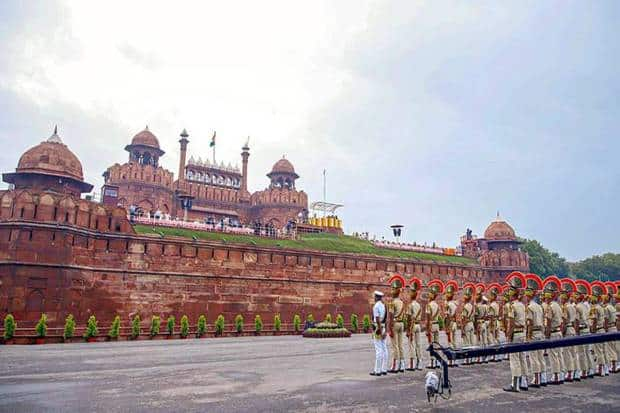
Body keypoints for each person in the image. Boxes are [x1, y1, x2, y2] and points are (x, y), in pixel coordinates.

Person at [503, 272, 529, 392]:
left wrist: (509, 336)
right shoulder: (523, 305)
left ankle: (515, 385)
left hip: (516, 334)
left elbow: (511, 323)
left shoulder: (512, 306)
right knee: (522, 357)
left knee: (514, 359)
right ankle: (524, 382)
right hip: (523, 333)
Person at [524, 273, 545, 388]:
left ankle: (536, 379)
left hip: (534, 333)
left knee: (534, 357)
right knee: (540, 356)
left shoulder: (530, 307)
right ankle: (541, 378)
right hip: (540, 332)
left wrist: (528, 336)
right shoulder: (539, 306)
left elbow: (530, 323)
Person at [575, 280, 595, 379]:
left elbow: (577, 322)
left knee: (582, 353)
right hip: (587, 330)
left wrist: (577, 333)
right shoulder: (586, 306)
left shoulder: (577, 307)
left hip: (582, 330)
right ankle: (591, 369)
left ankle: (584, 371)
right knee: (587, 352)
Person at [559, 278, 578, 382]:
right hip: (573, 329)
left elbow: (565, 321)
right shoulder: (572, 306)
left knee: (567, 353)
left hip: (568, 330)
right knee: (573, 352)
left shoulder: (565, 307)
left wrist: (562, 332)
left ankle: (570, 373)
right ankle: (575, 372)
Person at [387, 275, 407, 373]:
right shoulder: (402, 302)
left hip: (395, 324)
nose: (391, 291)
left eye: (393, 289)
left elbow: (390, 317)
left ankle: (394, 366)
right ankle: (402, 364)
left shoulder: (392, 302)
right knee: (400, 345)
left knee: (394, 345)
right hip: (401, 324)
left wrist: (389, 329)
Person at [590, 281, 609, 376]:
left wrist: (592, 331)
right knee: (603, 350)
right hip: (602, 330)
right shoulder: (602, 307)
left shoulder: (595, 308)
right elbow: (606, 320)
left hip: (597, 330)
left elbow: (594, 321)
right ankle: (605, 369)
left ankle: (600, 369)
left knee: (598, 351)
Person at [425, 279, 444, 369]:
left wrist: (427, 329)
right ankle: (438, 361)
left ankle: (432, 362)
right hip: (437, 325)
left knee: (431, 344)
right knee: (437, 344)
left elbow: (428, 319)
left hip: (432, 325)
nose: (428, 295)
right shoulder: (437, 305)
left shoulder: (429, 305)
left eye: (429, 294)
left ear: (432, 295)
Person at [406, 277, 423, 371]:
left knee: (411, 344)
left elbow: (410, 319)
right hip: (418, 325)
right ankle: (419, 362)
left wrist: (409, 330)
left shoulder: (410, 305)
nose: (409, 294)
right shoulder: (419, 305)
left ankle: (412, 364)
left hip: (412, 326)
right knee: (418, 344)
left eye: (410, 292)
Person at [370, 290, 388, 376]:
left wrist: (379, 331)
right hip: (383, 327)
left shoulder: (376, 306)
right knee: (384, 348)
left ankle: (377, 370)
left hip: (378, 328)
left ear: (377, 297)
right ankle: (384, 369)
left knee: (378, 349)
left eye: (375, 296)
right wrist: (385, 331)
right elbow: (386, 319)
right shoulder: (384, 306)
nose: (374, 298)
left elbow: (377, 319)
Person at [444, 280, 460, 367]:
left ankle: (450, 361)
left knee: (450, 342)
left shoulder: (447, 305)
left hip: (450, 323)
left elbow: (447, 317)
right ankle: (455, 360)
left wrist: (446, 327)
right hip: (454, 323)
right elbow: (456, 315)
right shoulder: (454, 304)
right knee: (454, 342)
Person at [604, 282, 618, 373]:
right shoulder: (613, 307)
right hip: (614, 327)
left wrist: (605, 329)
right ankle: (614, 365)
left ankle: (612, 366)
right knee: (614, 347)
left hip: (609, 328)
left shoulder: (606, 308)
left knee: (610, 348)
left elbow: (605, 320)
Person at [460, 283, 476, 365]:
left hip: (467, 324)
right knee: (471, 341)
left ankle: (467, 360)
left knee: (466, 342)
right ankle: (471, 359)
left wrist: (462, 329)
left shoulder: (465, 306)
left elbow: (464, 319)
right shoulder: (472, 306)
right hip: (471, 324)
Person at [485, 283, 502, 362]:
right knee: (497, 338)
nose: (489, 297)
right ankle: (497, 356)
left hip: (493, 322)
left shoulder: (491, 305)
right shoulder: (497, 304)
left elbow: (491, 316)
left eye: (490, 295)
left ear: (493, 296)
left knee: (491, 339)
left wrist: (491, 326)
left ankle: (493, 356)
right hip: (497, 321)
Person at [474, 283, 489, 364]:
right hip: (484, 323)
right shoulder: (486, 306)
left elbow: (476, 317)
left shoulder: (477, 306)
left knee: (478, 341)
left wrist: (475, 327)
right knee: (485, 340)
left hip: (479, 323)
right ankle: (486, 356)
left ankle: (479, 357)